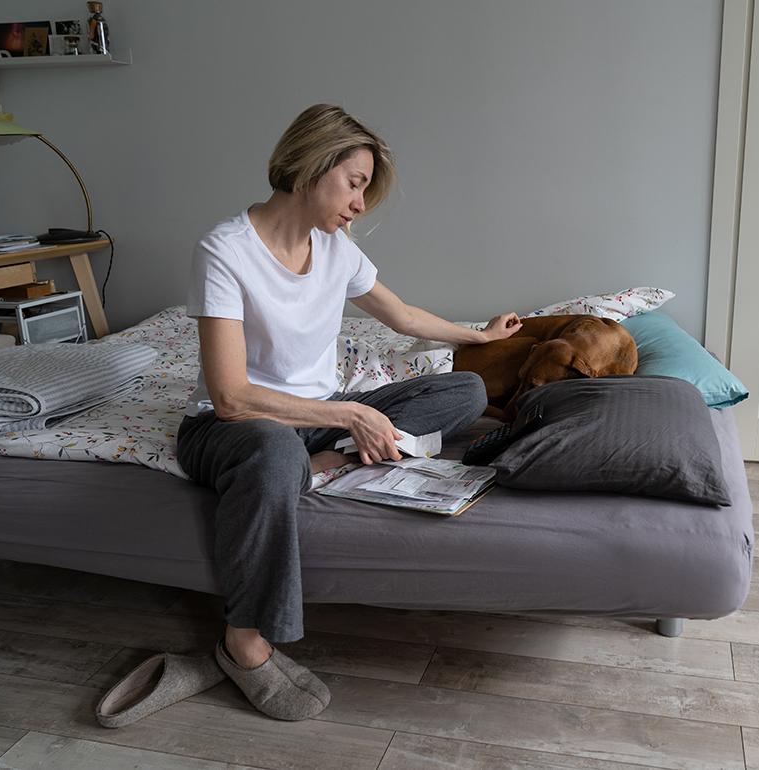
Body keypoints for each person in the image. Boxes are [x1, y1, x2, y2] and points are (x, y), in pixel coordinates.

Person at [176, 104, 522, 721]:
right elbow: (230, 395)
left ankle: (322, 464)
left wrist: (481, 337)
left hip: (315, 420)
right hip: (234, 427)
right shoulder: (225, 249)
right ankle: (245, 644)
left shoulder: (336, 248)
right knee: (275, 448)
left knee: (464, 391)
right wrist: (346, 415)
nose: (360, 205)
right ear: (311, 167)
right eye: (355, 184)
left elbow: (403, 317)